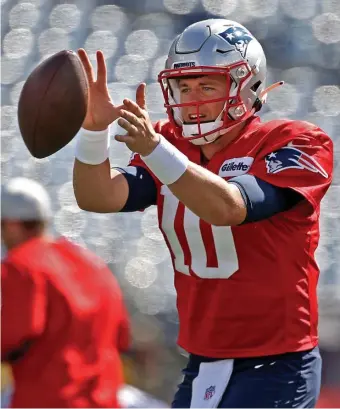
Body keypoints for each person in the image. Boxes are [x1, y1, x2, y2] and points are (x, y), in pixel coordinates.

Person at [72, 18, 333, 408]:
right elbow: (98, 197)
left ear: (247, 87)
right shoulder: (171, 144)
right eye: (184, 86)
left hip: (276, 364)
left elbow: (230, 207)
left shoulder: (294, 141)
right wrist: (93, 132)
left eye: (207, 85)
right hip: (203, 363)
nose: (192, 99)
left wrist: (156, 150)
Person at [1, 177, 130, 408]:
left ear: (11, 225)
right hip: (104, 400)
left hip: (49, 400)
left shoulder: (22, 264)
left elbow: (13, 333)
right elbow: (121, 336)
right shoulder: (92, 264)